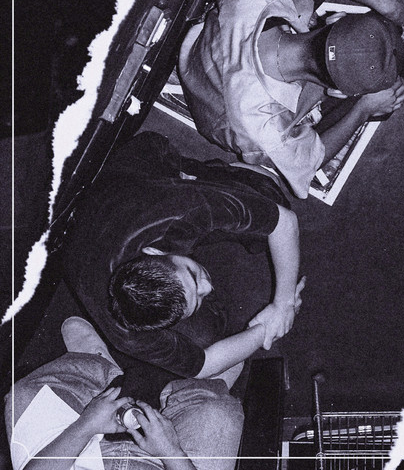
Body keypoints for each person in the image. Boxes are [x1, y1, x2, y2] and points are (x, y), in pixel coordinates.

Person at [179, 0, 404, 198]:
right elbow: (309, 162)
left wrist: (385, 2)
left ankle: (374, 26)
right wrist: (364, 109)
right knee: (390, 93)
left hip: (208, 56)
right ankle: (372, 66)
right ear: (335, 92)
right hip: (221, 109)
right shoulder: (265, 131)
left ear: (335, 18)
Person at [62, 132, 305, 396]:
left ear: (154, 251)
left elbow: (284, 221)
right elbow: (204, 366)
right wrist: (265, 329)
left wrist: (283, 305)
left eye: (193, 277)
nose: (208, 287)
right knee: (203, 337)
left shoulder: (179, 212)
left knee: (269, 200)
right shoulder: (127, 330)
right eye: (198, 299)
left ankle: (209, 174)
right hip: (83, 241)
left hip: (144, 169)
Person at [5, 316, 244, 470]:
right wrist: (171, 452)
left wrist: (85, 425)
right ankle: (204, 384)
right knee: (221, 416)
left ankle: (96, 363)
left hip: (84, 460)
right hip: (162, 464)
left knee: (23, 396)